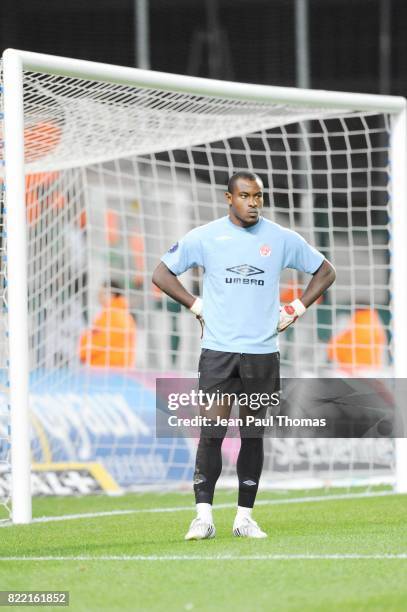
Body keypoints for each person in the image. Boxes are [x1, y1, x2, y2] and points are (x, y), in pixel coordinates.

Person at [152, 171, 336, 540]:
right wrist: (197, 305)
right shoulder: (205, 237)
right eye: (246, 196)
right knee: (212, 432)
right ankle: (203, 517)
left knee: (252, 434)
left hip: (262, 352)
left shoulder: (281, 238)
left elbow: (326, 271)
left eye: (258, 197)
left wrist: (296, 307)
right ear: (228, 198)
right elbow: (161, 274)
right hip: (219, 352)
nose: (253, 203)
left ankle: (244, 518)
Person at [79, 280, 136, 368]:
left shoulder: (116, 316)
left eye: (101, 293)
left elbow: (101, 341)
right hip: (106, 369)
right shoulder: (111, 314)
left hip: (111, 371)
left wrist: (83, 352)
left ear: (111, 294)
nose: (98, 297)